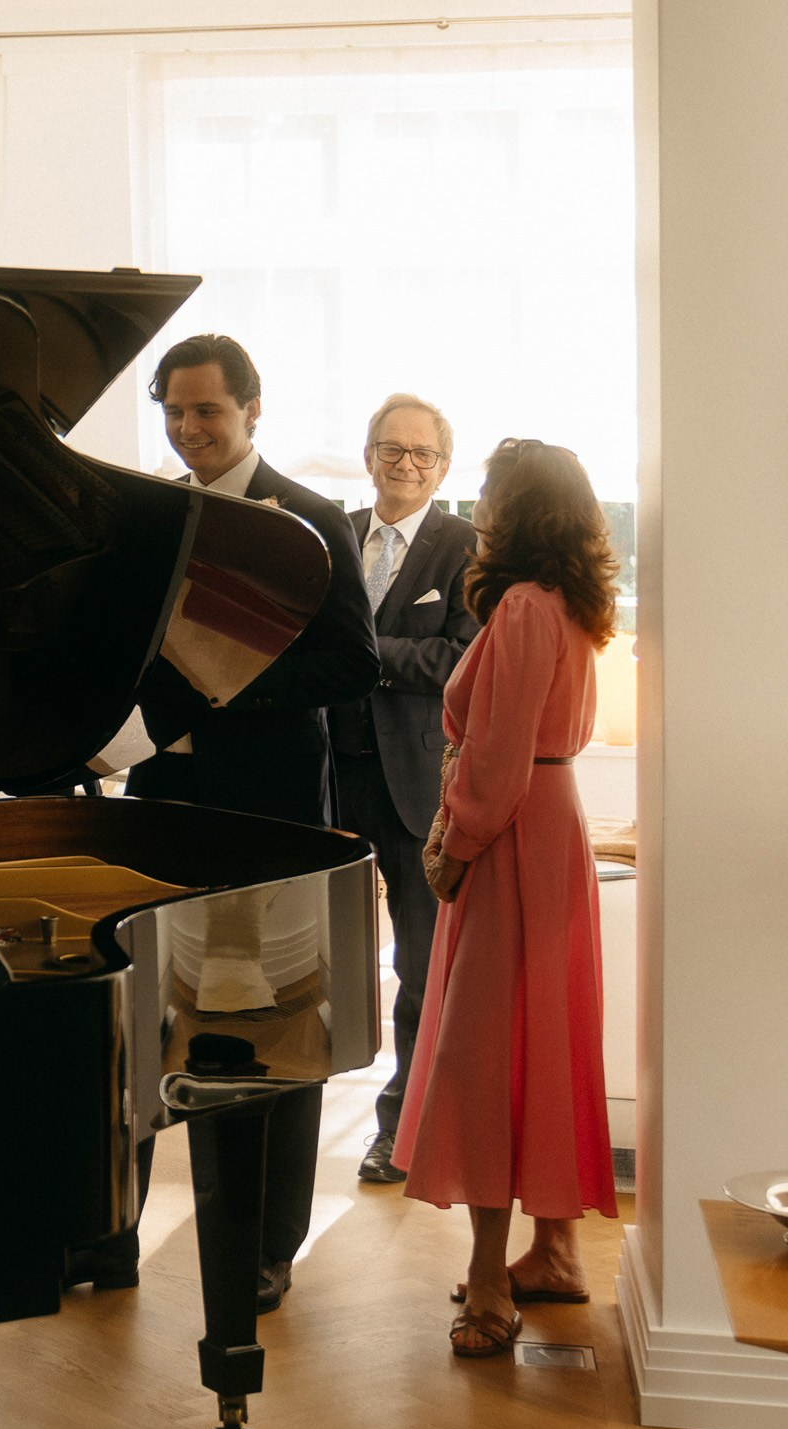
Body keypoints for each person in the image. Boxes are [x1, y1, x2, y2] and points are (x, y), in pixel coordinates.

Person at [120, 332, 379, 1312]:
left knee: (276, 1031)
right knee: (149, 1018)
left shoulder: (308, 519)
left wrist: (224, 689)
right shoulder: (147, 518)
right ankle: (111, 1238)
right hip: (161, 805)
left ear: (251, 410)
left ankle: (270, 1244)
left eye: (207, 412)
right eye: (175, 413)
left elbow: (351, 665)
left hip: (267, 811)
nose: (189, 430)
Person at [394, 438, 620, 1358]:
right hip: (548, 825)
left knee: (485, 1051)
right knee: (547, 1037)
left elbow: (495, 754)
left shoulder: (524, 607)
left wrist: (453, 841)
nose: (478, 506)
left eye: (490, 491)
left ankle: (491, 1283)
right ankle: (555, 1252)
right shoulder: (567, 605)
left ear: (520, 509)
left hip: (515, 830)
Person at [330, 396, 479, 1186]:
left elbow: (458, 658)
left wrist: (362, 652)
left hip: (416, 787)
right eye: (391, 449)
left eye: (423, 454)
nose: (406, 465)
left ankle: (400, 1129)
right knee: (315, 957)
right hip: (327, 779)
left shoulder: (464, 545)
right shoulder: (333, 530)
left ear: (444, 467)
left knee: (421, 969)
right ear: (367, 453)